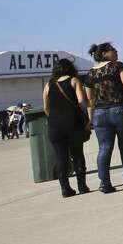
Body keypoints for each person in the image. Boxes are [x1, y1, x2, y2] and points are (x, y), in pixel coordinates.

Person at [83, 42, 123, 193]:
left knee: (104, 148)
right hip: (120, 109)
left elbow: (90, 100)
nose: (117, 52)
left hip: (100, 114)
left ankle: (104, 182)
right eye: (113, 50)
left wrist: (90, 119)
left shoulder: (90, 74)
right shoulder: (117, 66)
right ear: (105, 53)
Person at [42, 58, 91, 197]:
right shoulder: (74, 80)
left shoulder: (48, 85)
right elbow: (81, 100)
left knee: (61, 157)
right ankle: (82, 186)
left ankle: (65, 188)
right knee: (77, 155)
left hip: (55, 125)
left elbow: (46, 107)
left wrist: (54, 117)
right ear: (70, 68)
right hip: (72, 123)